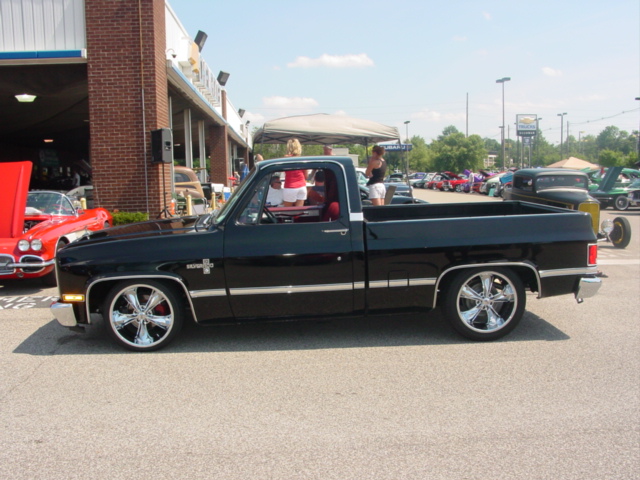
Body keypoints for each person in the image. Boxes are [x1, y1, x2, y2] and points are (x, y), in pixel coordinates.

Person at [283, 138, 308, 207]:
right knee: (299, 211)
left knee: (287, 211)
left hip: (290, 186)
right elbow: (306, 176)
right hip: (302, 186)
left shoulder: (286, 158)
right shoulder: (302, 159)